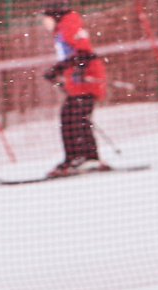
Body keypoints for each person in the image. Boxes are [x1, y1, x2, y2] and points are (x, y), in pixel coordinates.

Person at [40, 3, 108, 177]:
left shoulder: (69, 23)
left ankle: (84, 157)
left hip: (87, 79)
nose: (45, 23)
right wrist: (58, 69)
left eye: (46, 18)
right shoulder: (62, 27)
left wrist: (70, 67)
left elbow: (83, 50)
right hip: (78, 82)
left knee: (75, 116)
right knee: (72, 116)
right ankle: (77, 157)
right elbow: (71, 56)